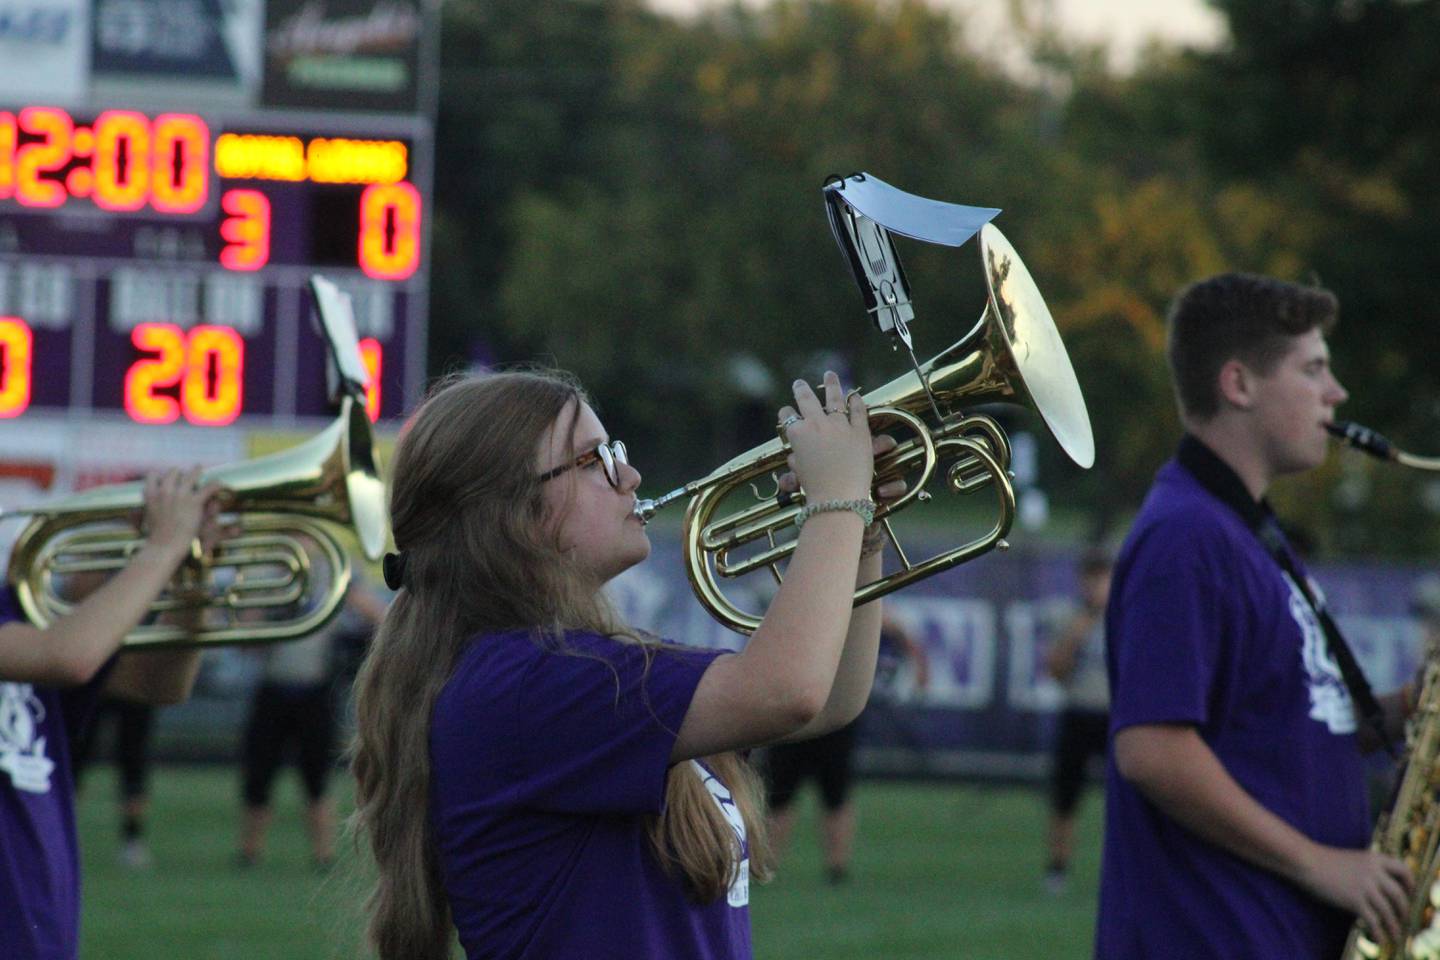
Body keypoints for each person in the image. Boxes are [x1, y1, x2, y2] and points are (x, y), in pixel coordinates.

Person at [349, 368, 902, 960]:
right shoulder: (519, 685)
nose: (630, 476)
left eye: (615, 451)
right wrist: (835, 503)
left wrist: (858, 531)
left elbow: (828, 700)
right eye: (593, 461)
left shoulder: (580, 665)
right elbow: (787, 690)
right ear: (510, 512)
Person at [1095, 273, 1414, 959]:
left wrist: (1408, 707)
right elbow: (1152, 751)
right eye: (1314, 369)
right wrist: (1321, 863)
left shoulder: (1247, 532)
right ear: (1238, 385)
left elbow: (1279, 722)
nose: (1338, 394)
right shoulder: (1189, 537)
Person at [0, 468, 224, 959]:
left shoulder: (13, 608)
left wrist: (193, 572)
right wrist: (164, 546)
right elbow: (70, 656)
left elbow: (159, 683)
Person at [765, 609, 927, 884]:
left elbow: (889, 623)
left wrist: (920, 664)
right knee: (782, 793)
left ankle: (835, 868)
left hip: (830, 708)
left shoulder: (843, 600)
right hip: (797, 705)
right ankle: (767, 864)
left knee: (833, 793)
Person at [237, 582, 382, 869]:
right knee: (258, 774)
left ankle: (323, 854)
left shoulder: (334, 576)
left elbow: (382, 619)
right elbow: (244, 643)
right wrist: (260, 613)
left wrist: (351, 599)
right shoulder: (268, 579)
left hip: (315, 690)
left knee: (317, 776)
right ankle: (249, 852)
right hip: (273, 687)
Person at [1041, 547, 1111, 895]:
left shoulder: (1125, 619)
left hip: (1115, 716)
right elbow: (1055, 671)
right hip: (1079, 711)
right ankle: (1057, 867)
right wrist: (1075, 635)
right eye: (1091, 578)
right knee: (1065, 795)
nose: (1096, 586)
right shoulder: (1070, 618)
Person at [70, 694, 157, 869]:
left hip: (131, 683)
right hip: (97, 679)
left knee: (133, 759)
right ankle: (61, 833)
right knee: (75, 756)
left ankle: (132, 837)